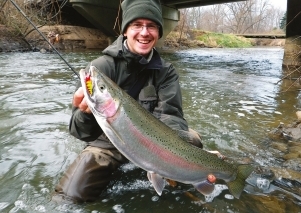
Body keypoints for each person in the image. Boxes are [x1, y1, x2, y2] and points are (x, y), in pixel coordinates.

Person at [54, 0, 203, 203]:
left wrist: (179, 155)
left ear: (159, 33)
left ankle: (172, 172)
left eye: (151, 26)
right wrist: (85, 113)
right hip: (108, 144)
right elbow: (79, 132)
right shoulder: (100, 68)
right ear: (125, 30)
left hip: (152, 143)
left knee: (193, 140)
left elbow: (171, 116)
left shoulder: (166, 73)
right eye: (137, 25)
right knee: (69, 196)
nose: (144, 32)